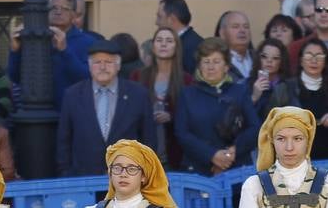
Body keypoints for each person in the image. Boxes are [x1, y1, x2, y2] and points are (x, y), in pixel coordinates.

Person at [57, 40, 157, 177]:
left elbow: (148, 138)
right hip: (84, 180)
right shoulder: (73, 95)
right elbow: (64, 139)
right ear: (90, 66)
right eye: (97, 62)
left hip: (128, 178)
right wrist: (66, 173)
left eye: (108, 62)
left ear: (118, 65)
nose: (103, 67)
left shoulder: (138, 94)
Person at [174, 39, 258, 176]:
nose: (210, 67)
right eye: (206, 62)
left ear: (226, 66)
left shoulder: (240, 91)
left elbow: (254, 127)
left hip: (236, 170)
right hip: (198, 171)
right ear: (199, 66)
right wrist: (212, 155)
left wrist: (233, 152)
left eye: (216, 61)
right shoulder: (187, 94)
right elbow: (182, 133)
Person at [269, 38, 328, 160]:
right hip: (293, 163)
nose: (314, 60)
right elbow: (269, 129)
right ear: (301, 60)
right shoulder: (285, 89)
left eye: (319, 56)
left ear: (325, 61)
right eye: (309, 55)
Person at [132, 27, 190, 169]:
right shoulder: (137, 76)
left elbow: (192, 115)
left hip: (176, 153)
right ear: (153, 46)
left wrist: (172, 117)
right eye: (159, 40)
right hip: (143, 154)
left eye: (169, 41)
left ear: (176, 46)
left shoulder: (186, 79)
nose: (163, 44)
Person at [157, 0, 202, 72]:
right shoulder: (189, 42)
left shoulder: (192, 47)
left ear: (171, 19)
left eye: (159, 17)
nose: (156, 22)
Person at [248, 38, 289, 120]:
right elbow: (240, 117)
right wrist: (254, 97)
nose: (269, 61)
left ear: (282, 61)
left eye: (275, 58)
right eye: (264, 56)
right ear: (258, 59)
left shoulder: (289, 86)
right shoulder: (245, 84)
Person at [218, 10, 255, 81]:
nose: (242, 30)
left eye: (246, 26)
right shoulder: (216, 62)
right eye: (235, 27)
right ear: (222, 33)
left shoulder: (260, 58)